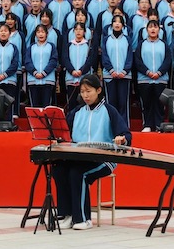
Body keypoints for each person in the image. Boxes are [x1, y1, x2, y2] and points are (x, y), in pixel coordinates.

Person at [54, 74, 131, 230]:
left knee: (78, 173)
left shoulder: (109, 111)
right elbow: (64, 133)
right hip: (79, 157)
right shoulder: (77, 112)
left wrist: (121, 139)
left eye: (88, 91)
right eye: (82, 92)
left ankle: (83, 219)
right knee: (59, 169)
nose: (85, 95)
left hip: (105, 159)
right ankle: (68, 215)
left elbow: (126, 134)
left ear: (98, 90)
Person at [134, 20, 171, 132]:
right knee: (147, 103)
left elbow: (167, 60)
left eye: (155, 27)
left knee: (160, 103)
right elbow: (138, 60)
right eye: (150, 27)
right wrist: (147, 72)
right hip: (145, 79)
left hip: (160, 79)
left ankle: (159, 124)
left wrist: (159, 72)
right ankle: (147, 125)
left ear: (159, 30)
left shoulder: (164, 44)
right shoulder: (141, 44)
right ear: (146, 30)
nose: (153, 29)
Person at [101, 15, 133, 128]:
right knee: (111, 102)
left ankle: (124, 126)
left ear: (123, 25)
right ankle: (111, 126)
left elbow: (130, 57)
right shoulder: (106, 39)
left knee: (123, 102)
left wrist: (125, 71)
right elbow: (104, 56)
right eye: (115, 22)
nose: (117, 24)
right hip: (109, 75)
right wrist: (111, 70)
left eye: (120, 22)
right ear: (112, 25)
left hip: (124, 75)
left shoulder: (127, 39)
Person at [0, 24, 20, 120]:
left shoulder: (14, 48)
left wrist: (5, 75)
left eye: (5, 31)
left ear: (9, 34)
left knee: (8, 104)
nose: (3, 33)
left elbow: (15, 64)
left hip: (9, 81)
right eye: (1, 31)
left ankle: (9, 123)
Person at [62, 22, 97, 112]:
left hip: (84, 77)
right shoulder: (69, 45)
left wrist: (81, 71)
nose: (78, 31)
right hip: (71, 78)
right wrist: (72, 70)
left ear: (84, 32)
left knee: (85, 104)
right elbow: (65, 59)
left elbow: (90, 60)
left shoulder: (88, 45)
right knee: (72, 104)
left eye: (81, 29)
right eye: (76, 29)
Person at [25, 24, 58, 107]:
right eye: (38, 32)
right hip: (33, 81)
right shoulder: (31, 47)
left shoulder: (51, 46)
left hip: (48, 80)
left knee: (46, 107)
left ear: (46, 34)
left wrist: (44, 73)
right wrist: (35, 72)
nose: (40, 34)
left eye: (43, 32)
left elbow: (53, 61)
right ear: (35, 34)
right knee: (35, 108)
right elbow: (27, 62)